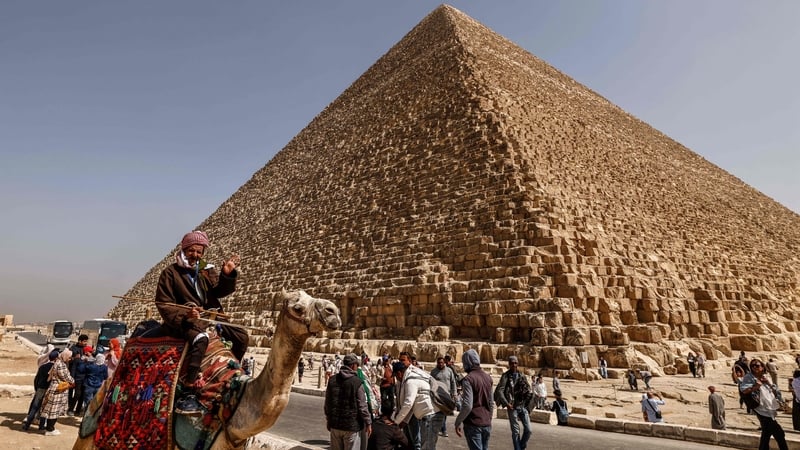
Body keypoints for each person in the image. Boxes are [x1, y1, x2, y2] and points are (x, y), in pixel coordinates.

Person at [155, 230, 248, 415]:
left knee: (241, 336)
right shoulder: (170, 273)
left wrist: (227, 274)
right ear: (184, 249)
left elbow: (219, 291)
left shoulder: (206, 270)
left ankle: (230, 377)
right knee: (200, 339)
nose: (195, 255)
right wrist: (186, 314)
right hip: (184, 322)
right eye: (192, 251)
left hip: (210, 317)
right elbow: (163, 303)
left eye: (199, 252)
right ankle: (188, 391)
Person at [325, 353, 372, 450]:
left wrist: (329, 419)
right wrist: (368, 422)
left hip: (335, 425)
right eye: (356, 365)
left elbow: (327, 404)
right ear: (353, 365)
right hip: (351, 427)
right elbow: (362, 406)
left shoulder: (332, 380)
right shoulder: (357, 382)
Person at [393, 361, 443, 450]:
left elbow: (408, 403)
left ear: (399, 373)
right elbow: (411, 406)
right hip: (432, 415)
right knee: (429, 446)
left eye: (396, 376)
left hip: (430, 417)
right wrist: (403, 421)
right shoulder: (414, 377)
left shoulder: (410, 381)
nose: (397, 379)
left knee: (426, 447)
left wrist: (396, 422)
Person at [740, 358, 788, 450]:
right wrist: (756, 386)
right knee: (779, 433)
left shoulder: (765, 376)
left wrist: (768, 383)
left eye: (757, 365)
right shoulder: (749, 377)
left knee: (766, 434)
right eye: (752, 366)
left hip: (770, 407)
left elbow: (775, 391)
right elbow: (744, 390)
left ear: (762, 367)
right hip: (760, 409)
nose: (755, 367)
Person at [453, 349, 493, 450]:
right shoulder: (488, 378)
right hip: (486, 422)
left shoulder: (468, 379)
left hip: (474, 423)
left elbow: (467, 405)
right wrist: (488, 418)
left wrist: (458, 421)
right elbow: (491, 403)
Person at [494, 355, 532, 450]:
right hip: (512, 406)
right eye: (511, 363)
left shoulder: (522, 375)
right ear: (509, 364)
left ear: (517, 363)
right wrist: (506, 403)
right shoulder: (505, 376)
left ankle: (521, 446)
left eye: (515, 363)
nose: (514, 365)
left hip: (522, 405)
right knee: (516, 432)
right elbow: (500, 391)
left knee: (528, 430)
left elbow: (528, 388)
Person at [39, 349, 74, 435]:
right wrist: (73, 381)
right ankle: (50, 429)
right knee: (54, 410)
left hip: (56, 388)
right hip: (57, 390)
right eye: (69, 357)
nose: (70, 359)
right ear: (65, 356)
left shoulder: (58, 362)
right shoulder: (60, 365)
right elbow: (65, 376)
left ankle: (49, 428)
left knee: (52, 410)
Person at [22, 349, 59, 431]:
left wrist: (36, 388)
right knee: (45, 409)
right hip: (49, 390)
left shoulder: (42, 367)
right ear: (56, 358)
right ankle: (41, 426)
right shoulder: (56, 368)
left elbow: (36, 379)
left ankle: (27, 425)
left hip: (40, 388)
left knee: (35, 407)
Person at [430, 356, 457, 438]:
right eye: (439, 363)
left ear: (444, 363)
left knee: (445, 413)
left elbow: (453, 382)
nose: (440, 364)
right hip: (437, 396)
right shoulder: (433, 372)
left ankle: (443, 429)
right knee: (439, 413)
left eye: (442, 362)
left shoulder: (449, 371)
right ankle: (443, 429)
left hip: (447, 395)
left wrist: (454, 393)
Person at [67, 334, 88, 415]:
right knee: (73, 393)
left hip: (83, 376)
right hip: (75, 374)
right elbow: (70, 361)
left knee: (81, 394)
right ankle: (70, 408)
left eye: (86, 341)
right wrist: (74, 358)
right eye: (84, 341)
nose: (86, 343)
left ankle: (78, 410)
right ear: (80, 341)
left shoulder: (85, 349)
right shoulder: (73, 349)